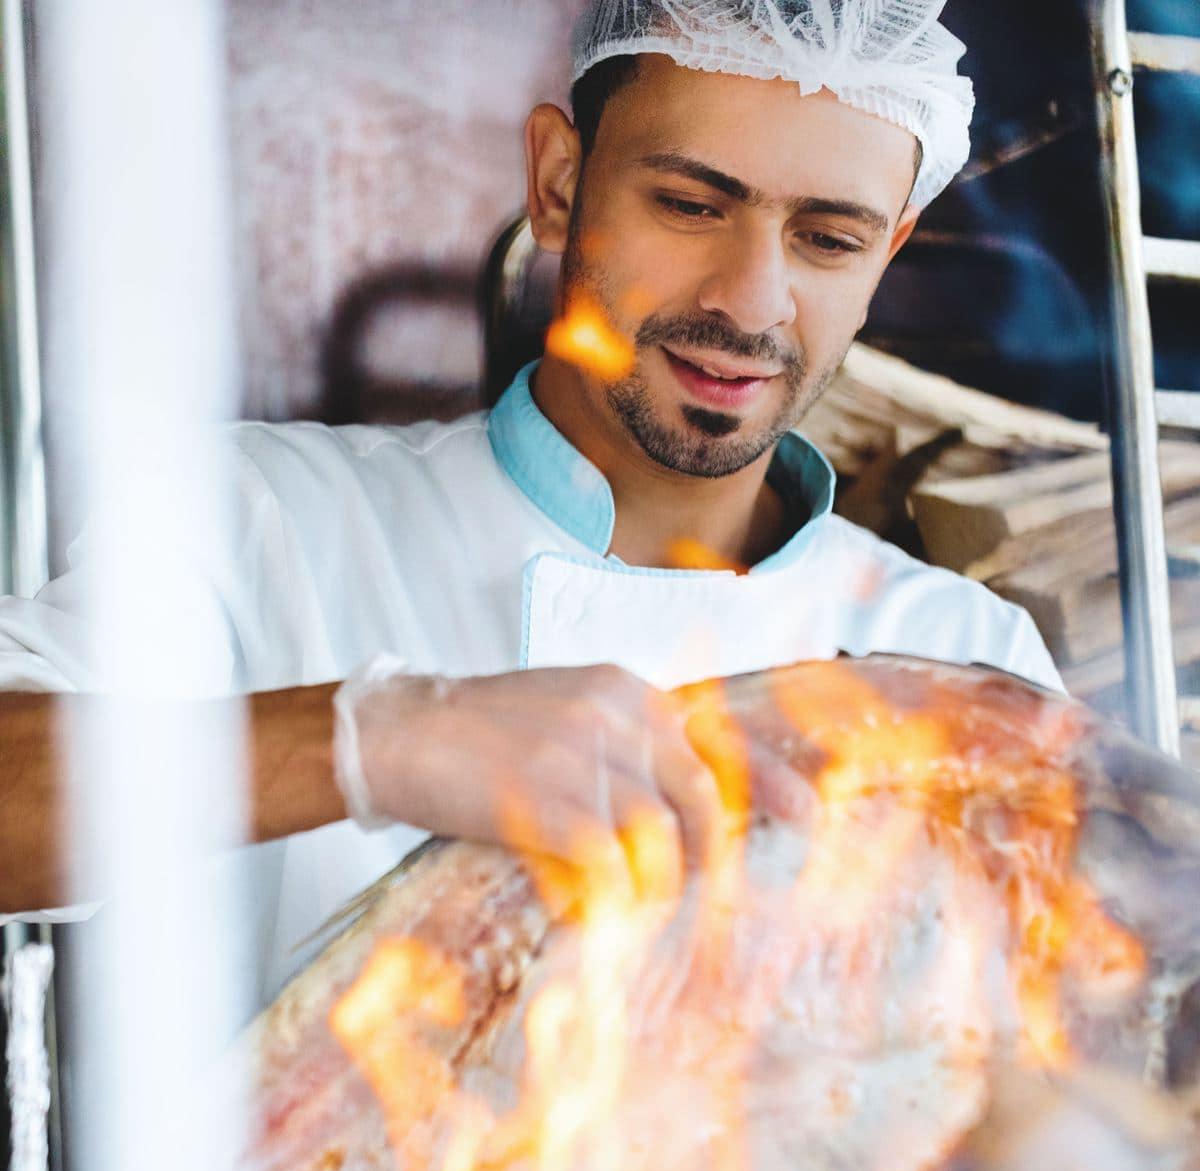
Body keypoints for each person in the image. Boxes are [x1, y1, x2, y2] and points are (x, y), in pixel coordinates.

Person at [0, 0, 1063, 1007]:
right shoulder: (260, 517)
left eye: (829, 238)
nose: (750, 299)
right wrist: (380, 742)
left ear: (887, 253)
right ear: (559, 181)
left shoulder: (962, 655)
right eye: (692, 205)